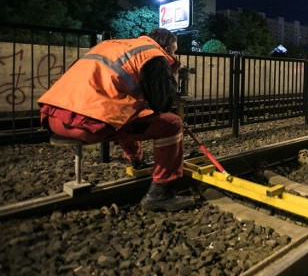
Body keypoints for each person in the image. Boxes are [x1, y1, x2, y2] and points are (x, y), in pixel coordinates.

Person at [38, 28, 195, 212]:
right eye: (174, 51)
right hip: (86, 123)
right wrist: (170, 70)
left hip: (53, 116)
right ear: (167, 47)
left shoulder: (112, 45)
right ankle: (160, 194)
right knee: (171, 123)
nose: (174, 55)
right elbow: (163, 103)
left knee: (128, 109)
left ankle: (136, 159)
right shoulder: (153, 55)